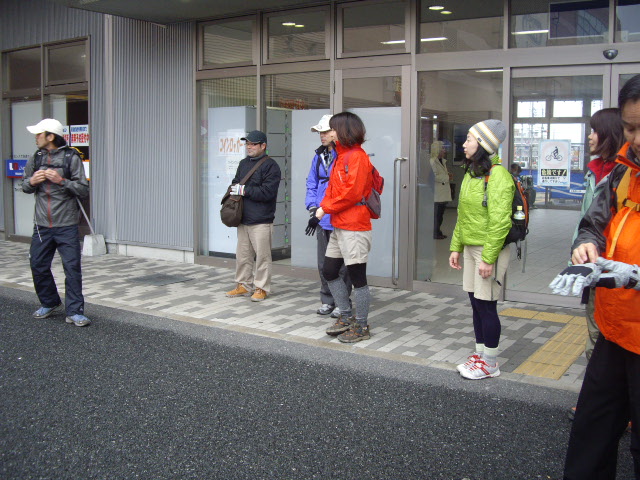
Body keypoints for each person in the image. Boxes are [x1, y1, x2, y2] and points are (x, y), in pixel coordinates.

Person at [563, 74, 640, 480]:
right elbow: (594, 223)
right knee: (590, 435)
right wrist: (587, 247)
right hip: (614, 329)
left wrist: (635, 276)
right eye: (630, 128)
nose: (636, 139)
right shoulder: (623, 171)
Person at [449, 119, 512, 379]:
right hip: (471, 246)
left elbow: (500, 222)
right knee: (476, 303)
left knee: (487, 306)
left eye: (469, 140)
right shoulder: (471, 173)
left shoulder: (498, 176)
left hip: (488, 250)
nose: (464, 145)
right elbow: (463, 216)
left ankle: (490, 363)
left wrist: (488, 258)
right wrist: (456, 247)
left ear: (483, 144)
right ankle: (480, 354)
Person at [309, 112, 374, 343]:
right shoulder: (341, 155)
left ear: (344, 130)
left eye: (333, 128)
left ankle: (362, 325)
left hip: (354, 225)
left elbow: (351, 193)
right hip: (339, 223)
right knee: (329, 271)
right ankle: (346, 316)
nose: (329, 132)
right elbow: (332, 189)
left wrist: (323, 210)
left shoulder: (356, 156)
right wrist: (323, 208)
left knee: (358, 277)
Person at [22, 118, 91, 327]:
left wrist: (61, 181)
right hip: (41, 225)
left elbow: (83, 190)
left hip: (66, 224)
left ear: (50, 136)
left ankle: (75, 311)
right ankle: (50, 302)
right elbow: (25, 185)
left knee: (72, 268)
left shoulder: (71, 157)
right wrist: (32, 181)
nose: (36, 138)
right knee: (38, 264)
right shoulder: (36, 158)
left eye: (39, 134)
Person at [225, 130, 281, 302]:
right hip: (243, 218)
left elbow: (268, 192)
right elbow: (235, 182)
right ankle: (243, 285)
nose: (249, 147)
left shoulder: (271, 166)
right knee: (243, 256)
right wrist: (237, 188)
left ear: (263, 146)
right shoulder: (243, 163)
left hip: (261, 220)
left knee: (263, 257)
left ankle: (261, 287)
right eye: (247, 143)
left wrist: (244, 190)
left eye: (253, 144)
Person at [305, 114, 352, 317]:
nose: (322, 136)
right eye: (320, 132)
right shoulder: (319, 156)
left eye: (325, 132)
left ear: (335, 132)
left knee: (342, 265)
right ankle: (327, 300)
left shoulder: (346, 155)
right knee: (323, 263)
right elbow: (311, 182)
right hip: (321, 217)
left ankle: (343, 302)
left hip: (340, 217)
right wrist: (312, 206)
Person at [430, 140, 452, 240]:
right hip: (438, 193)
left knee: (440, 214)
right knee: (437, 215)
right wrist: (447, 177)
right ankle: (436, 232)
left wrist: (447, 176)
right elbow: (434, 176)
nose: (444, 150)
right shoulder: (432, 161)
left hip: (442, 192)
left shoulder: (442, 161)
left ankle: (438, 231)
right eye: (442, 148)